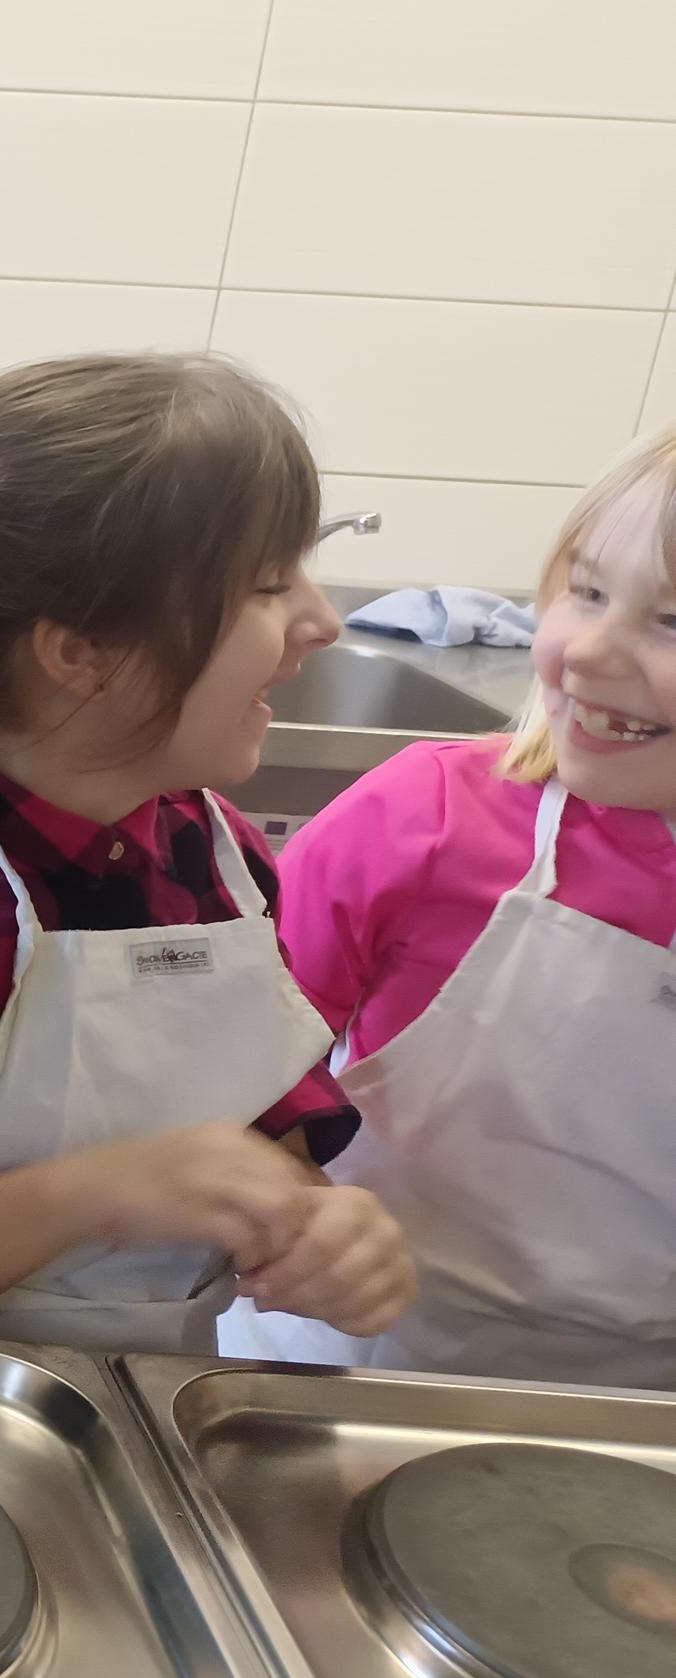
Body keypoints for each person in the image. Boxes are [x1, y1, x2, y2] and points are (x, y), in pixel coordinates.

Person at [0, 355, 414, 1354]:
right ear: (81, 653)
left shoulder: (218, 856)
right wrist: (99, 1193)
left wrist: (319, 1223)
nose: (323, 623)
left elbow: (267, 1129)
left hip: (148, 1399)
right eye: (270, 586)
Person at [244, 427, 676, 1386]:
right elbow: (227, 1081)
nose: (590, 650)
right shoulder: (425, 816)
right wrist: (296, 1204)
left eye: (672, 621)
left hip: (642, 1418)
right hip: (350, 1374)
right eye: (587, 591)